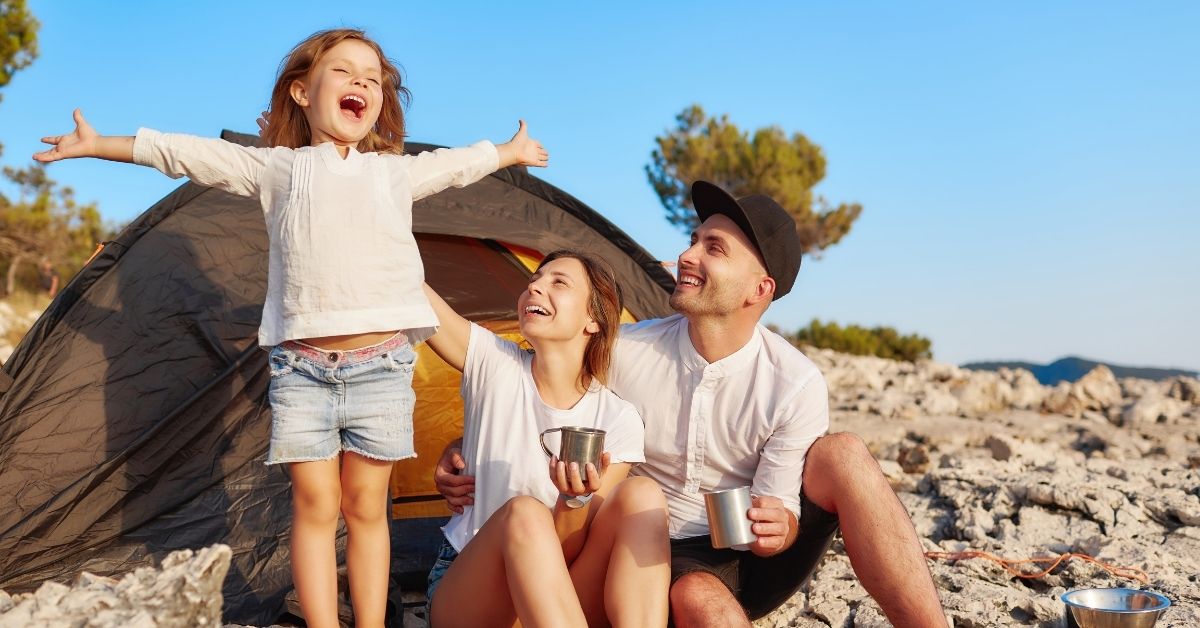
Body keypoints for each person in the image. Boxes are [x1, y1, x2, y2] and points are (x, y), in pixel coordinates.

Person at [34, 28, 548, 628]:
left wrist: (507, 152)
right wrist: (103, 145)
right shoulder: (278, 168)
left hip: (382, 365)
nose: (361, 82)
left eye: (372, 78)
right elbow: (190, 153)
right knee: (314, 505)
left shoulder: (391, 174)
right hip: (302, 371)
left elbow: (455, 165)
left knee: (365, 507)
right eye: (344, 71)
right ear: (302, 92)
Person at [438, 181, 948, 627]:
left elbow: (782, 509)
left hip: (751, 551)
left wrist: (780, 527)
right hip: (653, 552)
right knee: (697, 594)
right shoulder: (626, 351)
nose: (687, 255)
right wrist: (466, 447)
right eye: (693, 240)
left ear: (758, 289)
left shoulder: (793, 381)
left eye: (714, 248)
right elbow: (549, 395)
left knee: (845, 454)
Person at [421, 249, 670, 627]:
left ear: (593, 320)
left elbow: (570, 549)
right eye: (534, 280)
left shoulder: (619, 420)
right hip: (474, 595)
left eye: (558, 282)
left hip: (559, 594)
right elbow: (413, 293)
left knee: (643, 495)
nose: (535, 286)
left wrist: (574, 501)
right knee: (524, 512)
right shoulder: (494, 365)